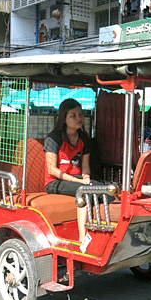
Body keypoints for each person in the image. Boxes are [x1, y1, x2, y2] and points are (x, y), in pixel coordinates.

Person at [44, 98, 107, 241]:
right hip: (55, 182)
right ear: (64, 119)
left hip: (76, 179)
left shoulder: (84, 139)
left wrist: (86, 178)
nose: (79, 118)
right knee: (84, 192)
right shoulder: (53, 138)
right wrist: (76, 180)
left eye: (81, 114)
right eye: (73, 115)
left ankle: (101, 233)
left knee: (104, 191)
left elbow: (85, 167)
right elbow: (52, 170)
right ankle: (82, 237)